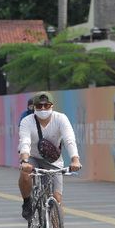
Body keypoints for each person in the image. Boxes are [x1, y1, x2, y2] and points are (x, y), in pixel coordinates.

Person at [18, 91, 81, 220]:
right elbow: (25, 142)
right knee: (25, 175)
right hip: (32, 157)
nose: (42, 109)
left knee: (56, 199)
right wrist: (24, 161)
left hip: (53, 161)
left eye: (46, 105)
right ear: (34, 107)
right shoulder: (27, 121)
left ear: (52, 106)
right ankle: (27, 202)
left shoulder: (61, 118)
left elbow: (69, 140)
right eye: (39, 106)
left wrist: (75, 159)